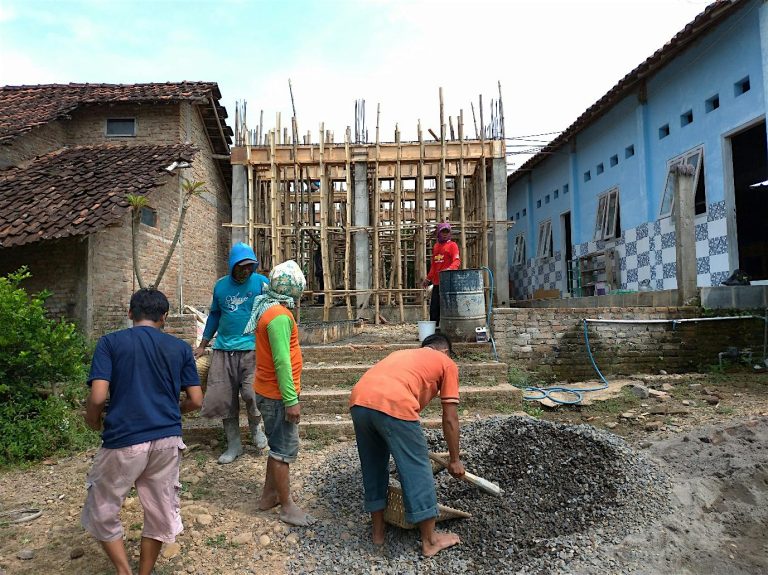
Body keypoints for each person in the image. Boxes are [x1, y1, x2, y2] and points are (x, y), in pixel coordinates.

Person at [81, 288, 203, 575]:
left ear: (130, 314)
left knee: (103, 506)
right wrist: (173, 414)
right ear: (164, 317)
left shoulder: (110, 343)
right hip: (167, 442)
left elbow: (98, 397)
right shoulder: (180, 348)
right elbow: (196, 400)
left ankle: (124, 571)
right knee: (160, 511)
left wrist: (92, 420)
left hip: (124, 440)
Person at [348, 333, 465, 557]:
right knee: (416, 467)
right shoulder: (446, 362)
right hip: (394, 402)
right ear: (445, 352)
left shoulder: (402, 354)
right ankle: (430, 540)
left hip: (359, 400)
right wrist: (455, 459)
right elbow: (450, 417)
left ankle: (378, 533)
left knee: (373, 466)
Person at [244, 259, 315, 526]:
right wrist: (291, 400)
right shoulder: (279, 317)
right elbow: (282, 361)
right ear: (294, 290)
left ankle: (269, 495)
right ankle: (287, 507)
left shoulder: (270, 309)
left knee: (276, 446)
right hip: (276, 395)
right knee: (283, 451)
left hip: (269, 391)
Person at [195, 242, 270, 464]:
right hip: (223, 351)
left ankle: (257, 428)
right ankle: (234, 445)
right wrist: (203, 344)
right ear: (232, 266)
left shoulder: (261, 283)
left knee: (252, 394)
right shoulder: (221, 287)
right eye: (241, 266)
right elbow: (215, 317)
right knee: (223, 399)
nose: (245, 270)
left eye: (250, 266)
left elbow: (272, 310)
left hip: (253, 349)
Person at [422, 222, 461, 326]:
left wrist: (449, 269)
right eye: (442, 232)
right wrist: (428, 278)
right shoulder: (436, 247)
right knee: (434, 307)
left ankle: (448, 328)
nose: (444, 234)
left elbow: (456, 261)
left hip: (448, 283)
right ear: (438, 233)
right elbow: (434, 266)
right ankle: (434, 330)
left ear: (450, 233)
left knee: (447, 307)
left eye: (447, 232)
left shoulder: (452, 245)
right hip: (437, 283)